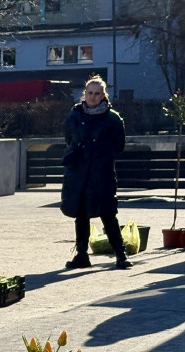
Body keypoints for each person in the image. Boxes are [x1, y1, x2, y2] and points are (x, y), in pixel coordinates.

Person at [60, 75, 131, 270]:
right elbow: (69, 138)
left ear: (103, 95)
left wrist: (101, 155)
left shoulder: (112, 118)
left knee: (108, 212)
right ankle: (82, 255)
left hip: (101, 171)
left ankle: (120, 254)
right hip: (79, 172)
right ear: (84, 93)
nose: (92, 97)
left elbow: (120, 144)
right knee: (81, 213)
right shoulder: (74, 114)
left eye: (97, 93)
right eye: (89, 93)